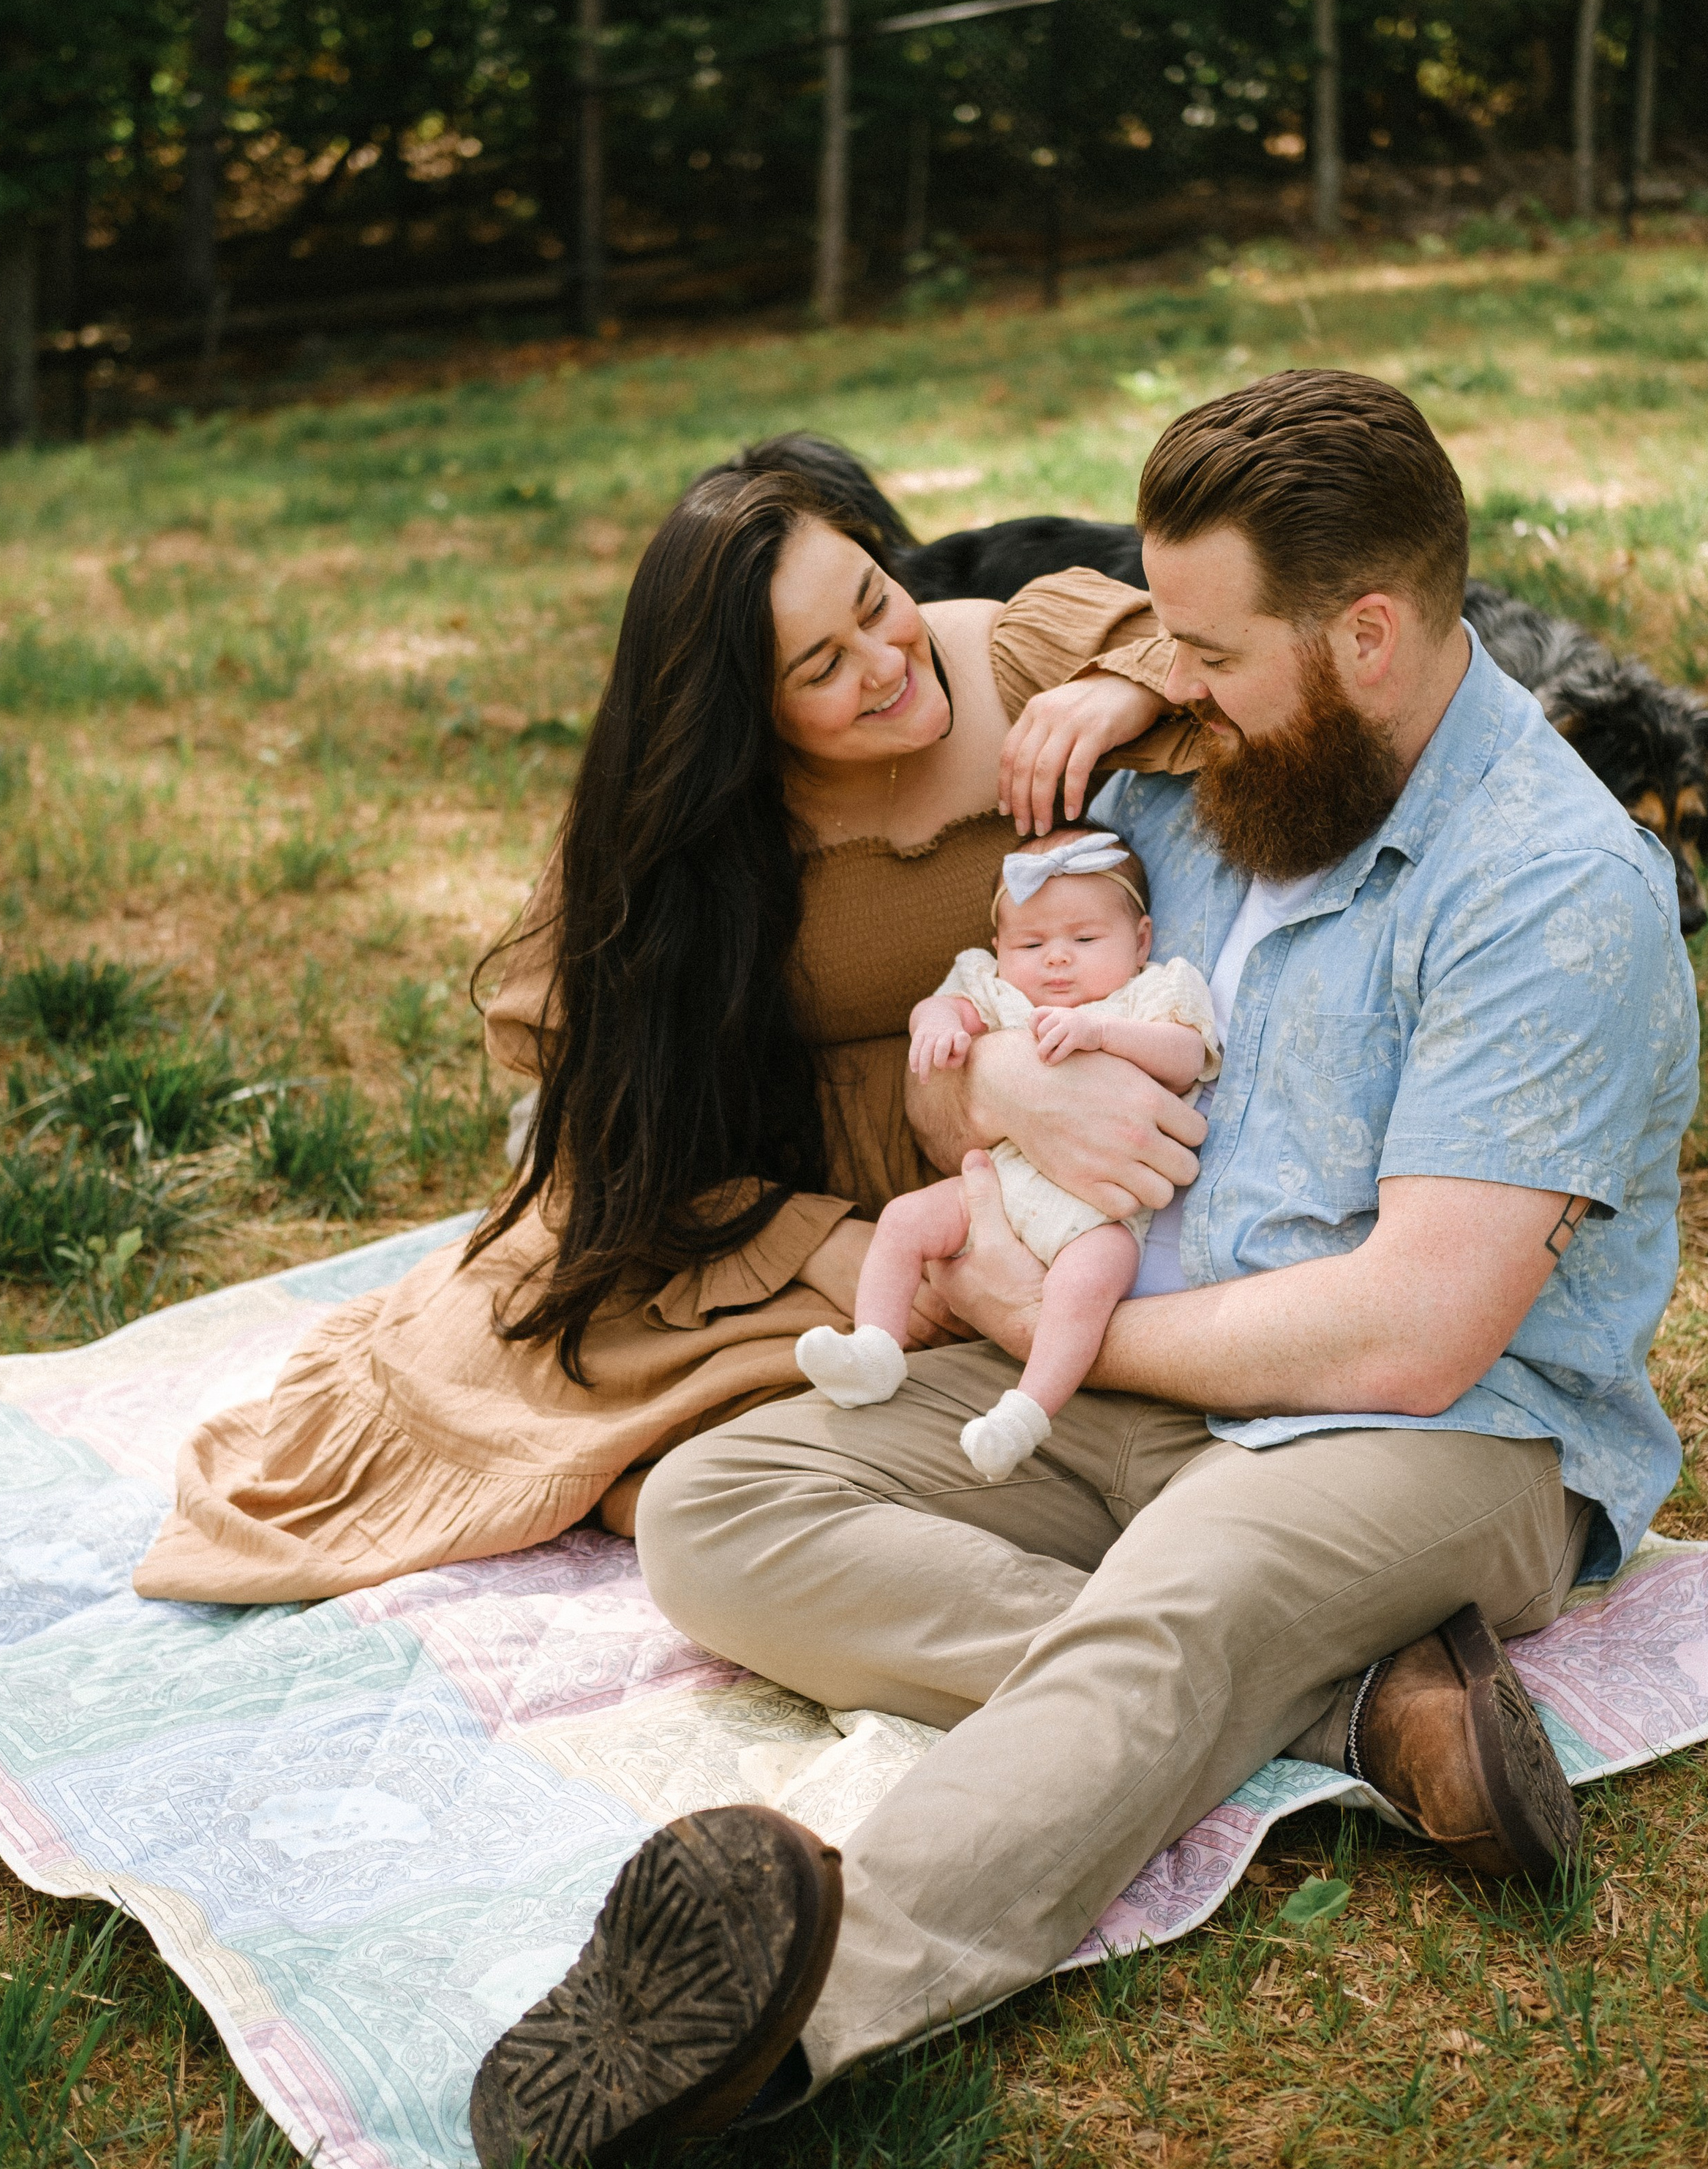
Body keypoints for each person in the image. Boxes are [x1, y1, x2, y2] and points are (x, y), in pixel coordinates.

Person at [467, 369, 1699, 2169]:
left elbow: (1411, 1330)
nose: (1151, 678)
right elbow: (996, 1030)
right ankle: (1352, 1707)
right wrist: (999, 1081)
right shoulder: (1214, 777)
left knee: (1179, 1609)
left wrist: (1056, 1333)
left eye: (1196, 646)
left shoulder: (1547, 893)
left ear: (1363, 634)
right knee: (724, 1501)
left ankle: (780, 2013)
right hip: (1138, 1375)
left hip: (1437, 1429)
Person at [132, 465, 1200, 1603]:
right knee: (589, 1405)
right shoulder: (690, 840)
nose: (887, 662)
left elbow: (1240, 654)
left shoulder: (1004, 651)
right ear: (750, 718)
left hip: (1040, 1183)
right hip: (806, 1213)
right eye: (822, 668)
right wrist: (819, 1247)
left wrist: (1126, 689)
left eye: (874, 599)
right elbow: (618, 1116)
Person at [796, 827, 1217, 1476]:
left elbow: (1189, 1056)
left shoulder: (1152, 994)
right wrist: (935, 1022)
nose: (1057, 960)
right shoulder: (998, 989)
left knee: (1088, 1283)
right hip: (999, 1183)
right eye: (1031, 943)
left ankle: (1028, 1408)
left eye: (1084, 940)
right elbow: (951, 1006)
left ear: (1141, 941)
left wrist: (1102, 1030)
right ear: (998, 948)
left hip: (1098, 1213)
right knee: (906, 1220)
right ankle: (876, 1347)